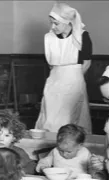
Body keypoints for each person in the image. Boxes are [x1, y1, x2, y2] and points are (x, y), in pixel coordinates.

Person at [35, 2, 92, 134]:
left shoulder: (82, 36)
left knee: (70, 117)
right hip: (54, 81)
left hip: (74, 81)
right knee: (50, 117)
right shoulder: (49, 38)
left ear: (67, 22)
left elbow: (87, 62)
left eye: (56, 23)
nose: (53, 27)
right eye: (51, 23)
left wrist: (73, 79)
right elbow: (51, 64)